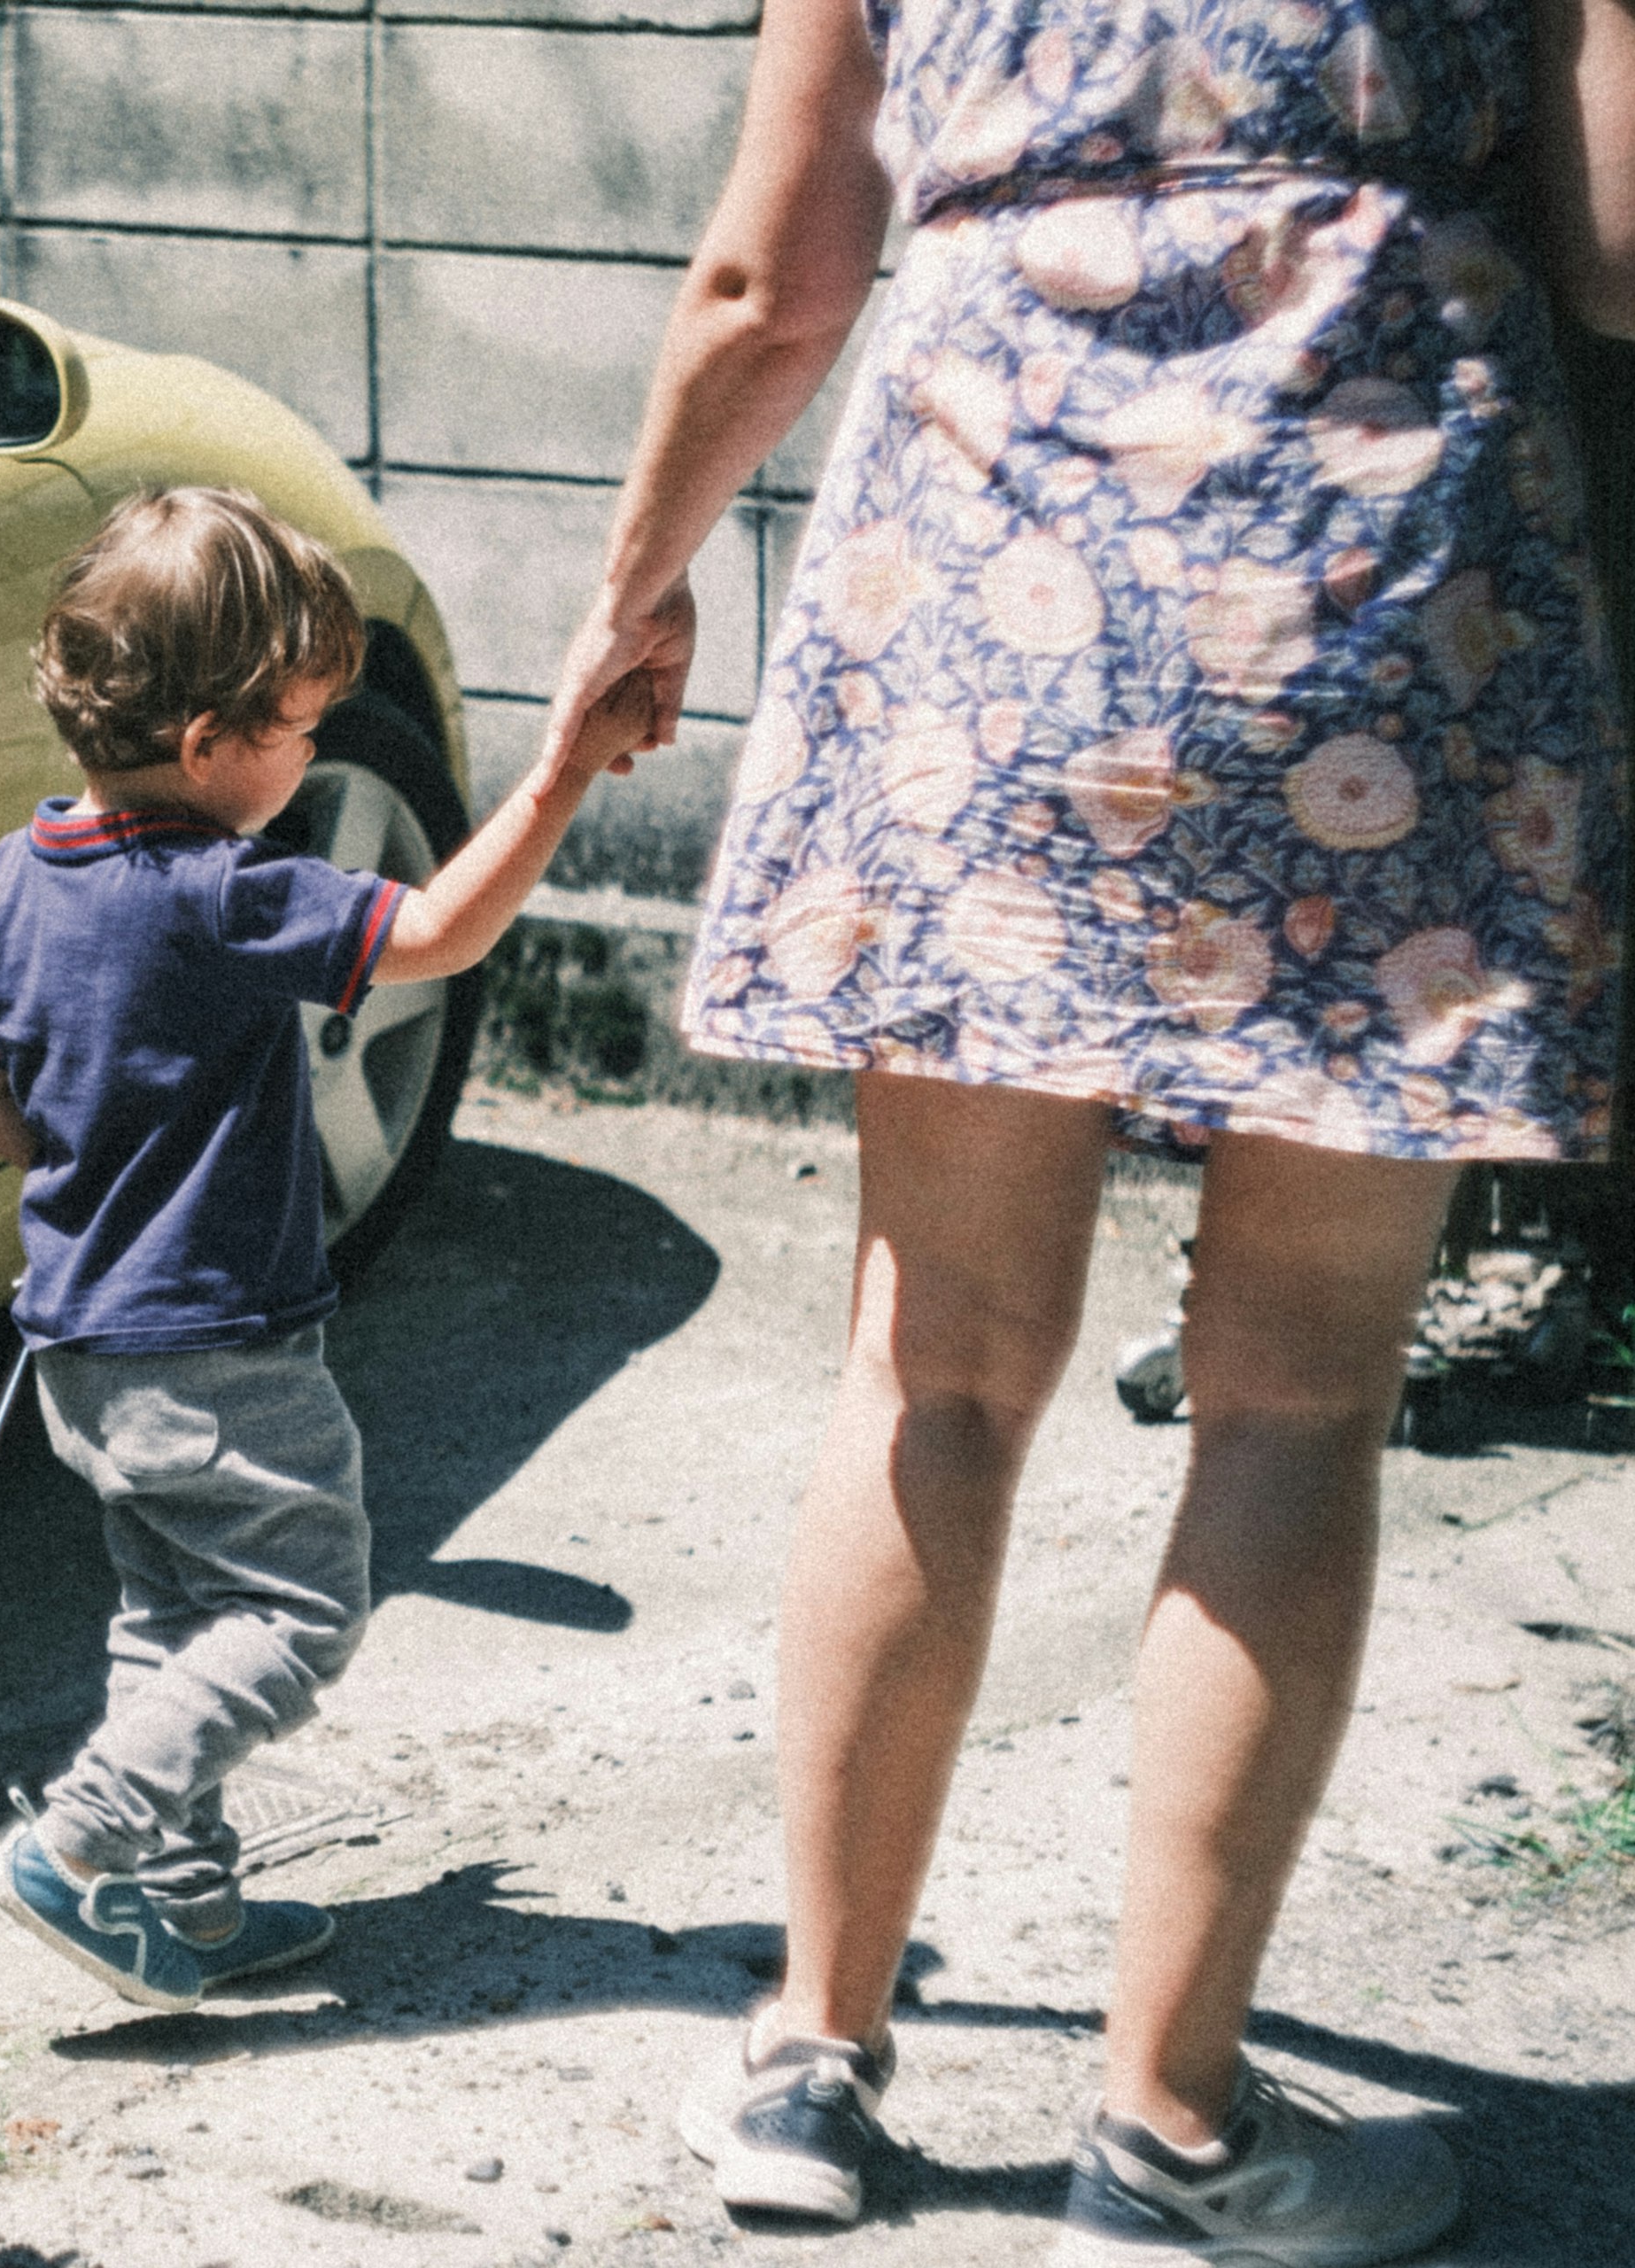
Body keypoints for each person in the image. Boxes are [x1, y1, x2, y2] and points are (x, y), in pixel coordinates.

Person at [539, 0, 1635, 2256]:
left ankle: (812, 2066)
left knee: (929, 1364)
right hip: (1369, 603)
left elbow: (769, 282)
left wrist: (628, 590)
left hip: (988, 603)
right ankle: (1163, 2131)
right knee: (1298, 1398)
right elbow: (1618, 241)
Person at [0, 487, 651, 2011]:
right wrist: (566, 769)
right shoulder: (218, 891)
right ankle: (85, 1837)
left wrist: (73, 1167)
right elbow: (442, 933)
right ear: (208, 747)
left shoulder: (19, 870)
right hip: (221, 1349)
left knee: (174, 1619)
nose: (313, 756)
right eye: (302, 727)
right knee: (303, 1617)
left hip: (81, 1344)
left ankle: (181, 1906)